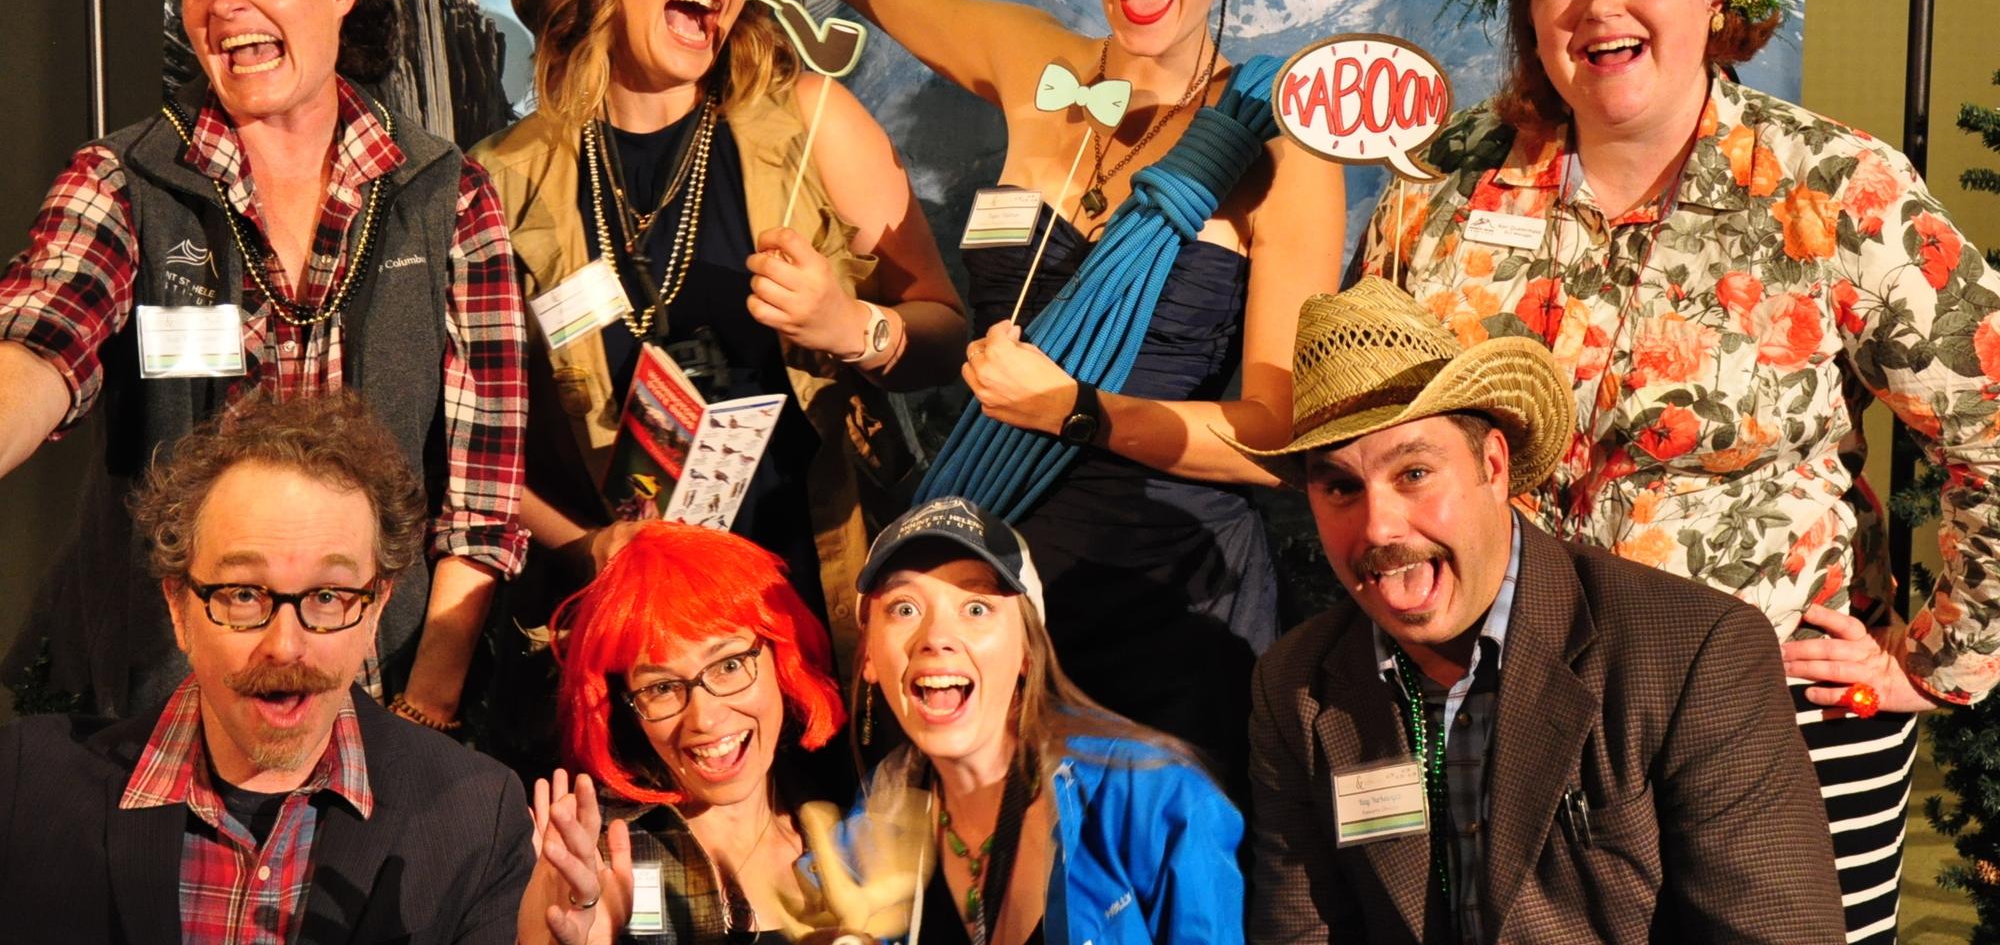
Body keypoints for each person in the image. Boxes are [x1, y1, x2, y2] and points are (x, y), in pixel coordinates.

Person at [649, 0, 1345, 782]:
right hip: (979, 601)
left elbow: (1273, 438)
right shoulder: (1030, 59)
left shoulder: (1277, 147)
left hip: (1165, 605)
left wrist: (1074, 409)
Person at [1360, 0, 2000, 940]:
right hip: (1503, 720)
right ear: (1530, 23)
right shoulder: (1441, 193)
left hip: (1778, 720)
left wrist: (1941, 660)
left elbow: (1991, 415)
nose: (1598, 5)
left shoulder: (1834, 188)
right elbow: (1373, 440)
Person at [0, 0, 525, 730]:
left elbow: (482, 495)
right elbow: (45, 339)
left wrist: (424, 703)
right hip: (158, 693)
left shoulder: (448, 194)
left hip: (374, 690)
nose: (222, 2)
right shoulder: (124, 178)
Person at [472, 0, 966, 691]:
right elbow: (476, 441)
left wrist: (853, 327)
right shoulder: (502, 181)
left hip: (805, 604)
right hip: (630, 634)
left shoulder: (813, 121)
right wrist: (586, 547)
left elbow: (944, 329)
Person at [1229, 280, 1843, 942]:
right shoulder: (1296, 685)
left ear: (1492, 466)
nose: (1378, 527)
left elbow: (1775, 931)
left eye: (1413, 474)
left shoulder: (1692, 655)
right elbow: (1300, 932)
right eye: (1342, 487)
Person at [0, 392, 537, 941]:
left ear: (374, 612)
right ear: (179, 609)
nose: (285, 645)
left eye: (328, 596)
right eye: (243, 594)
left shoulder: (476, 817)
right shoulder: (27, 786)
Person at [837, 495, 1244, 945]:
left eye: (976, 608)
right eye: (904, 608)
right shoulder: (879, 814)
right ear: (869, 655)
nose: (936, 637)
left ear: (1028, 651)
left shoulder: (1152, 796)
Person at [516, 520, 853, 943]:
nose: (704, 718)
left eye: (729, 665)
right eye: (661, 687)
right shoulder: (598, 866)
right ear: (628, 709)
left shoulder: (857, 825)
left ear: (783, 659)